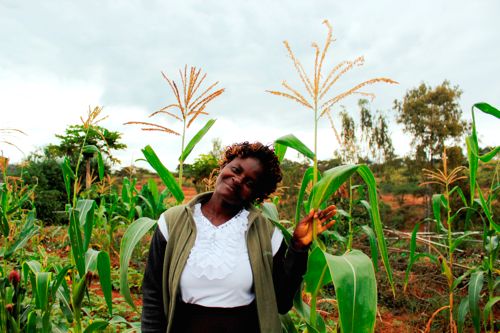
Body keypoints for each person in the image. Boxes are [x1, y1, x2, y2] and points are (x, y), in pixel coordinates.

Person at [141, 141, 336, 333]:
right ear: (223, 166)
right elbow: (153, 294)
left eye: (249, 182)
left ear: (257, 195)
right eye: (235, 169)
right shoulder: (172, 223)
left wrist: (298, 246)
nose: (238, 180)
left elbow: (280, 303)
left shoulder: (267, 234)